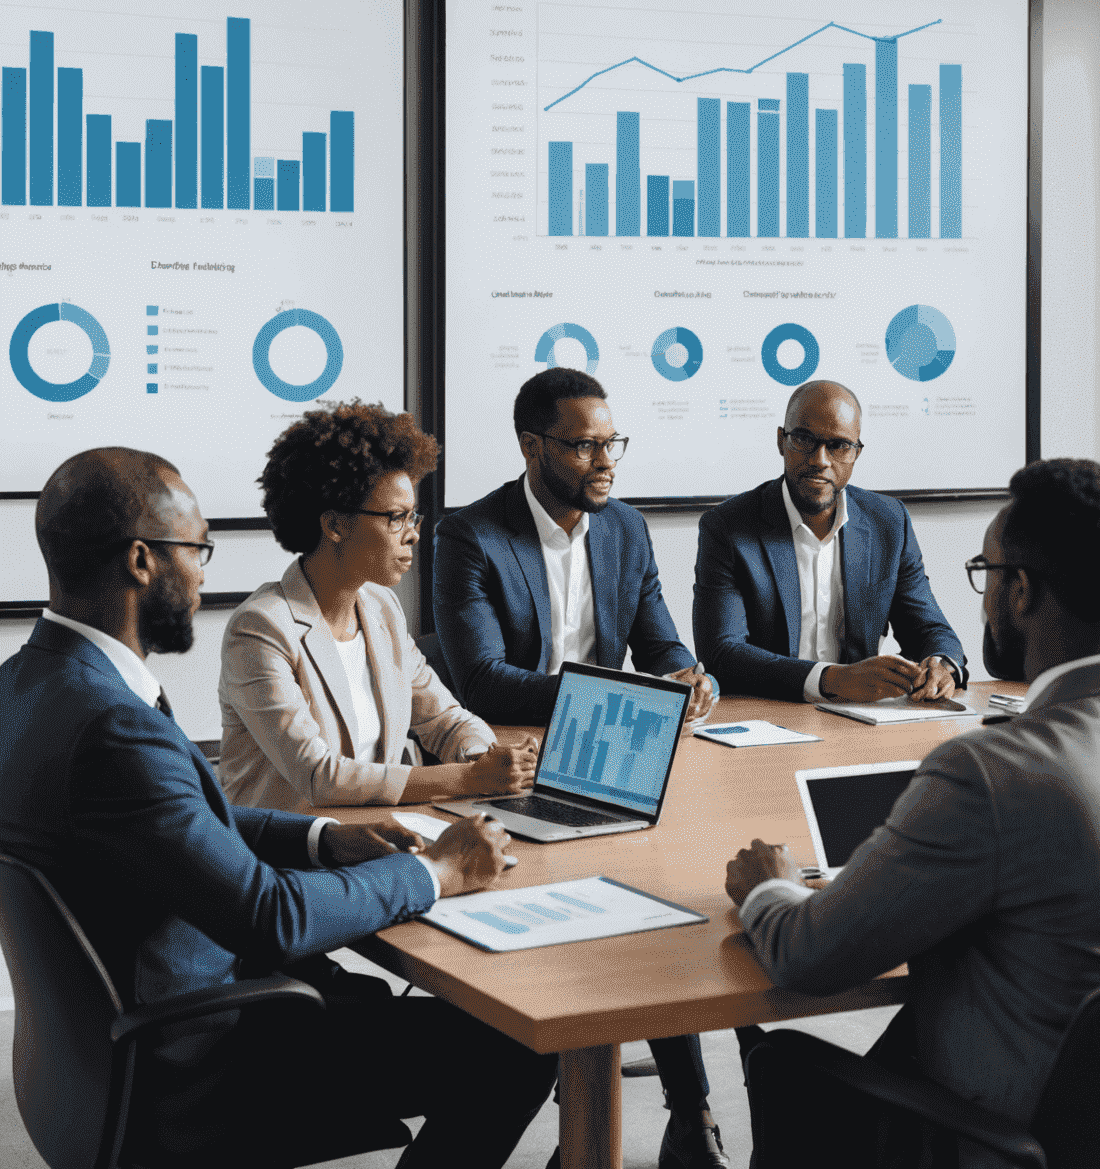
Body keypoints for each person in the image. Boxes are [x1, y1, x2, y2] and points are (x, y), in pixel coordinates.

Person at [0, 447, 554, 1168]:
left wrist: (326, 840)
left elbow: (182, 818)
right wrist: (436, 876)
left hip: (90, 1056)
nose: (204, 571)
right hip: (199, 1058)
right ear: (141, 561)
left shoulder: (29, 684)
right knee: (512, 1047)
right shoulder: (115, 724)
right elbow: (273, 916)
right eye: (197, 548)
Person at [726, 459, 1100, 1168]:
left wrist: (770, 887)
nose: (983, 598)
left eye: (986, 574)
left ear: (1019, 590)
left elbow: (809, 956)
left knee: (787, 1066)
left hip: (1025, 1142)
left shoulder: (989, 774)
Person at [432, 366, 727, 1169]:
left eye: (611, 443)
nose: (605, 461)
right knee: (636, 896)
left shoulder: (625, 529)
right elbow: (480, 679)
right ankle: (671, 1114)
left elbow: (662, 641)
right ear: (533, 446)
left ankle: (689, 1114)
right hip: (510, 765)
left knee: (664, 892)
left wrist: (686, 679)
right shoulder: (470, 534)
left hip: (610, 756)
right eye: (585, 445)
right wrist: (613, 694)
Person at [220, 402, 536, 813]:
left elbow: (445, 720)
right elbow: (320, 776)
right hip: (288, 855)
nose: (413, 535)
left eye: (413, 517)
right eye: (396, 518)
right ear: (335, 525)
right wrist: (468, 778)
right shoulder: (260, 628)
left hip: (375, 838)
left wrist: (487, 758)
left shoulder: (381, 609)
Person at [693, 379, 966, 702]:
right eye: (804, 439)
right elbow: (722, 653)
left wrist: (941, 665)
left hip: (860, 720)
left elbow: (929, 629)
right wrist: (830, 679)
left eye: (839, 446)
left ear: (856, 453)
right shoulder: (728, 526)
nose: (821, 459)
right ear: (781, 441)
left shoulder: (889, 522)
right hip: (768, 716)